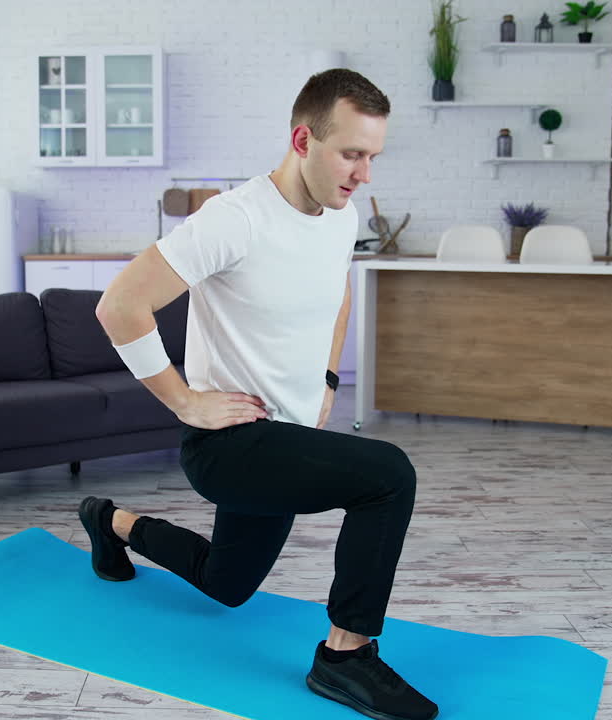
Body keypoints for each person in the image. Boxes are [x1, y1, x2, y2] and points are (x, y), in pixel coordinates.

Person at [80, 68, 437, 720]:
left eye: (373, 157)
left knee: (228, 585)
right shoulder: (235, 219)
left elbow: (339, 291)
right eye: (351, 154)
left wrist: (328, 377)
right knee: (389, 475)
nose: (365, 174)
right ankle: (345, 660)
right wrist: (185, 401)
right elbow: (120, 305)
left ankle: (108, 521)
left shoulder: (339, 213)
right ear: (303, 139)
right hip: (231, 443)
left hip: (289, 436)